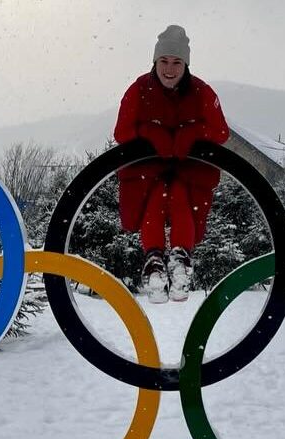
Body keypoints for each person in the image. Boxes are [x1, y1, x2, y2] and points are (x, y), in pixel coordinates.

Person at [114, 24, 230, 303]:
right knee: (154, 200)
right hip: (148, 170)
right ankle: (154, 262)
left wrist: (192, 133)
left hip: (188, 170)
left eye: (176, 62)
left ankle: (180, 261)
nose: (169, 69)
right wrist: (150, 133)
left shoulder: (201, 92)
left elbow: (221, 132)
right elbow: (121, 132)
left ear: (185, 64)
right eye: (164, 61)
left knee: (179, 198)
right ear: (155, 62)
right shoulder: (139, 90)